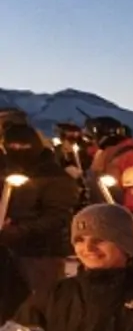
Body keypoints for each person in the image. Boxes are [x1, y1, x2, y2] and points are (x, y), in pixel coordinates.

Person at [0, 123, 80, 297]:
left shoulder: (54, 176)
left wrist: (19, 230)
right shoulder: (6, 171)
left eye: (23, 146)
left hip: (41, 253)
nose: (17, 150)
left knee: (39, 303)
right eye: (12, 146)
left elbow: (58, 217)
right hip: (6, 250)